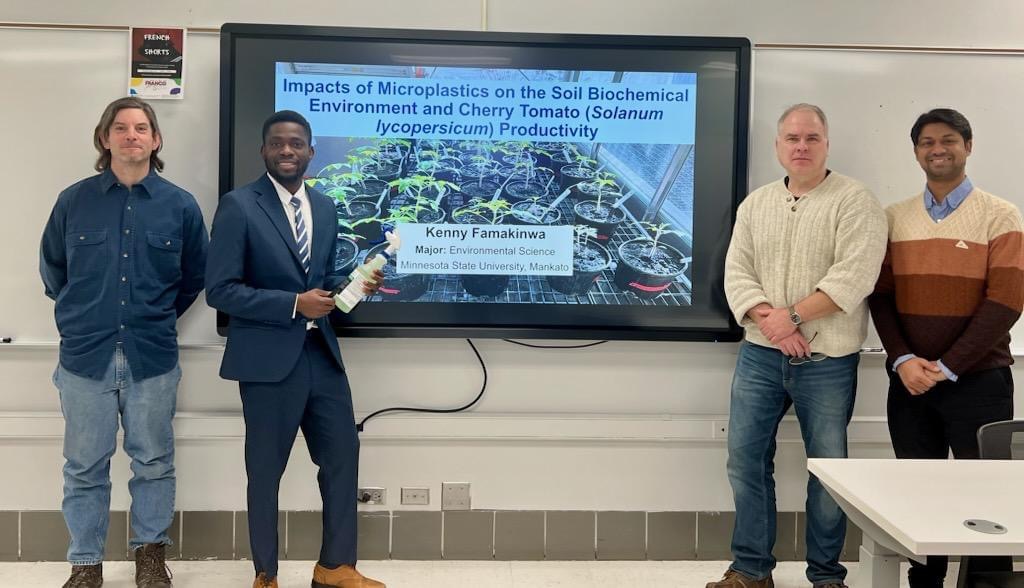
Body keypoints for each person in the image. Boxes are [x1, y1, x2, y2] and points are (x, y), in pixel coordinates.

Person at [708, 104, 888, 588]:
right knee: (745, 459)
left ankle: (827, 575)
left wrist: (790, 318)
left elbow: (853, 277)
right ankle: (750, 570)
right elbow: (737, 272)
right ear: (778, 147)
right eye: (792, 138)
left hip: (828, 360)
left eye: (811, 137)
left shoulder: (855, 201)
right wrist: (772, 324)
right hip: (759, 356)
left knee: (827, 468)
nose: (801, 146)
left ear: (827, 142)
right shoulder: (756, 203)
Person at [205, 110, 385, 588]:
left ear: (311, 151)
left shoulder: (325, 207)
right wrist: (292, 304)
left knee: (343, 458)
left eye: (297, 143)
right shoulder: (239, 206)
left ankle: (335, 567)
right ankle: (266, 573)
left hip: (320, 357)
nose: (287, 150)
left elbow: (320, 283)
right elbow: (220, 290)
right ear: (264, 150)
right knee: (265, 471)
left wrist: (355, 286)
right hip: (267, 363)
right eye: (278, 143)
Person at [39, 97, 209, 588]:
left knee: (153, 462)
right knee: (83, 466)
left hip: (151, 357)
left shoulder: (180, 205)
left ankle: (150, 559)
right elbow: (54, 271)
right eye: (120, 127)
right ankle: (85, 564)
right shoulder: (74, 201)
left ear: (156, 140)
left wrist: (152, 317)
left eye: (141, 128)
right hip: (84, 357)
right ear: (104, 138)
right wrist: (83, 315)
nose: (131, 135)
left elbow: (194, 277)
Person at [869, 108, 1023, 587]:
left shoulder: (1001, 215)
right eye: (927, 142)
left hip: (980, 382)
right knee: (919, 499)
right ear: (915, 153)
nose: (938, 149)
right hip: (911, 384)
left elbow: (1006, 302)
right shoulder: (894, 218)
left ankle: (987, 583)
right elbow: (881, 296)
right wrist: (903, 361)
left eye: (949, 140)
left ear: (968, 146)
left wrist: (948, 366)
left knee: (987, 503)